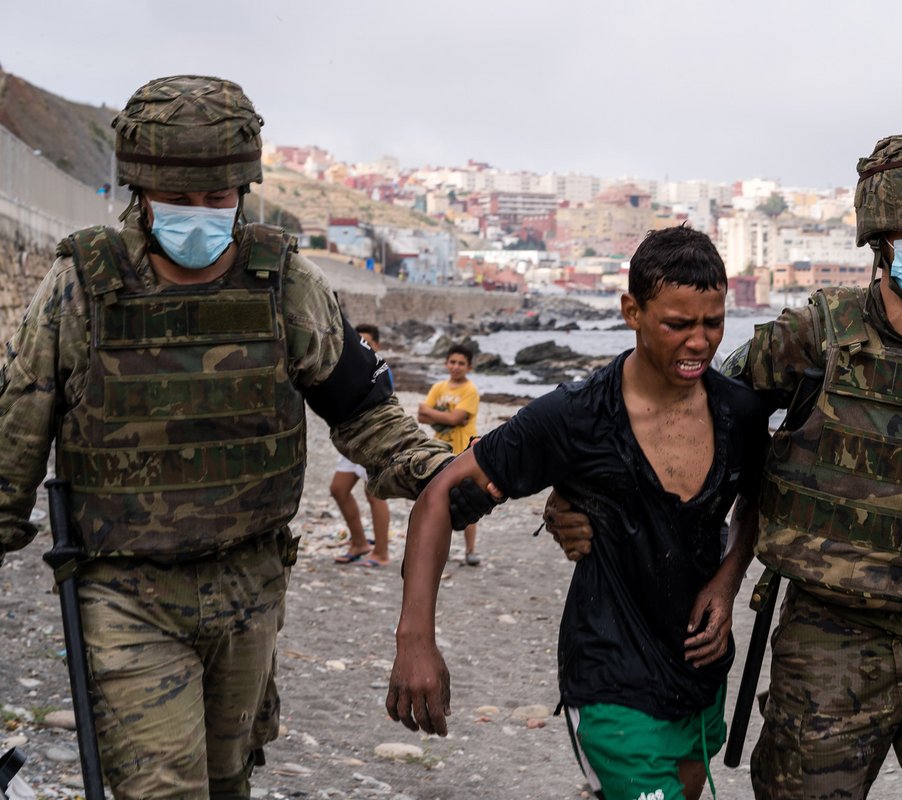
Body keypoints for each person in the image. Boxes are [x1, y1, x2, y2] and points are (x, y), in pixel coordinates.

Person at [0, 75, 491, 800]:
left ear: (243, 188)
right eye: (181, 201)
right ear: (139, 190)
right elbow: (17, 428)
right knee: (160, 788)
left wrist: (443, 474)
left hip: (248, 589)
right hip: (125, 592)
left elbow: (362, 409)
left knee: (230, 781)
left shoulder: (282, 281)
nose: (202, 216)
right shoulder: (81, 287)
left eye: (218, 199)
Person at [546, 133, 902, 800]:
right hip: (829, 636)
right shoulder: (817, 336)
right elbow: (688, 415)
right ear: (882, 239)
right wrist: (580, 494)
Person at [386, 225, 769, 800]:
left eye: (713, 324)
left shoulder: (738, 410)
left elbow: (757, 500)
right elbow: (439, 496)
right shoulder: (576, 417)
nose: (700, 342)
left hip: (701, 667)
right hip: (609, 670)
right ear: (631, 311)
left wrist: (727, 580)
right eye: (678, 324)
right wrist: (415, 639)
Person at [332, 323, 395, 567]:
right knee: (339, 489)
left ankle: (382, 552)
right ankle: (359, 542)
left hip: (373, 438)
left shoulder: (381, 369)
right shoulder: (348, 366)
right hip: (350, 439)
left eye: (368, 342)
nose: (363, 346)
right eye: (359, 342)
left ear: (377, 345)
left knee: (375, 495)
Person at [418, 344, 482, 565]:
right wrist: (448, 417)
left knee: (468, 500)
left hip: (465, 451)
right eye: (452, 362)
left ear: (469, 367)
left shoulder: (470, 391)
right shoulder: (438, 387)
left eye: (461, 363)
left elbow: (454, 419)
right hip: (439, 451)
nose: (456, 367)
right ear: (446, 363)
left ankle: (470, 550)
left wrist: (435, 414)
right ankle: (434, 550)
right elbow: (421, 415)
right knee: (439, 500)